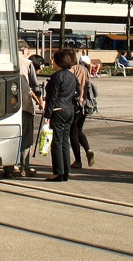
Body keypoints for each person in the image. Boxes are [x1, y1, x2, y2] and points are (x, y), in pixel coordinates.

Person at [43, 49, 79, 182]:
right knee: (65, 141)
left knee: (57, 142)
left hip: (58, 109)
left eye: (54, 60)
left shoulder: (57, 76)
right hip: (69, 109)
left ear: (59, 61)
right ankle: (66, 171)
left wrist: (47, 113)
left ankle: (58, 172)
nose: (52, 62)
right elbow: (78, 91)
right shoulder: (72, 76)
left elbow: (52, 97)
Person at [17, 40, 44, 177]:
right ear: (24, 51)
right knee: (26, 136)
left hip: (8, 106)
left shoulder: (8, 61)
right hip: (25, 104)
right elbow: (35, 86)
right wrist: (40, 102)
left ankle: (10, 167)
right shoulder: (28, 64)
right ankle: (24, 167)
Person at [69, 55, 95, 169]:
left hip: (74, 104)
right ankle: (88, 149)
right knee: (79, 130)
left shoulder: (72, 69)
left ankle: (78, 160)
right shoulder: (85, 69)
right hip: (85, 104)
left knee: (73, 132)